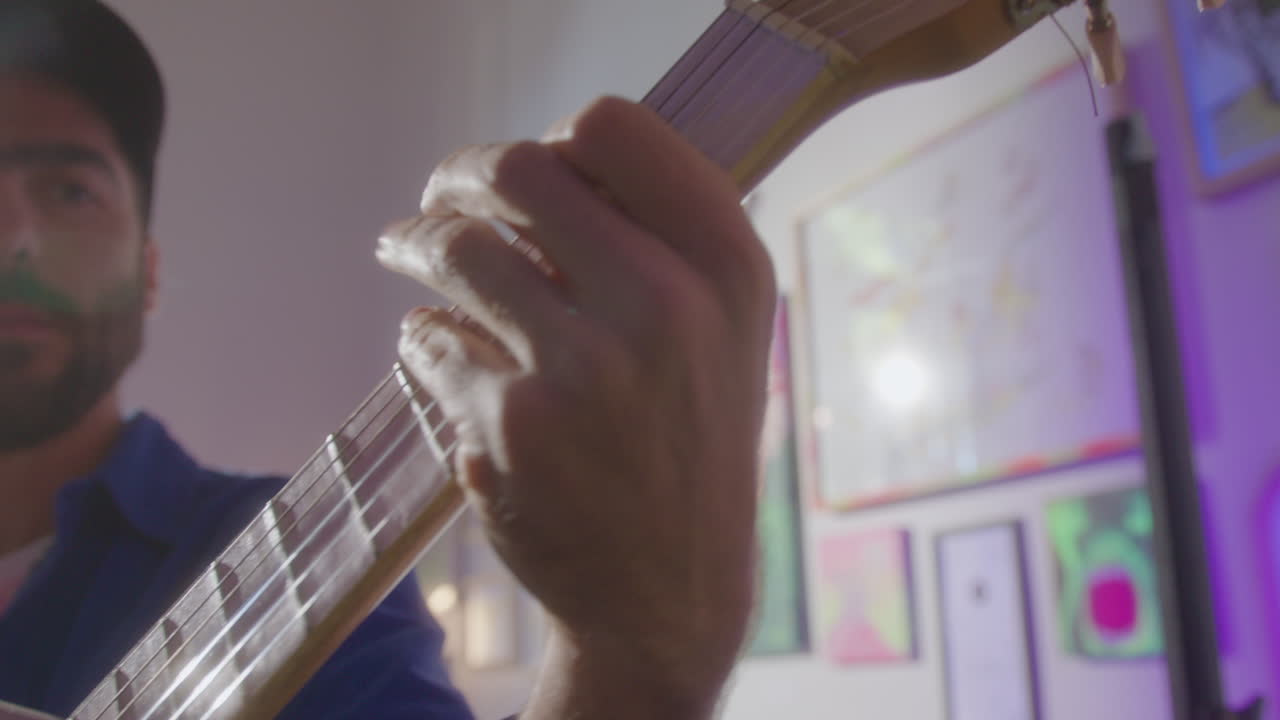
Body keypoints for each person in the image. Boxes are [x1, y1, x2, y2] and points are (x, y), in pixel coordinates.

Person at [0, 1, 775, 719]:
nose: (11, 240)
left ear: (149, 271)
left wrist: (641, 653)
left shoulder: (298, 558)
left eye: (70, 191)